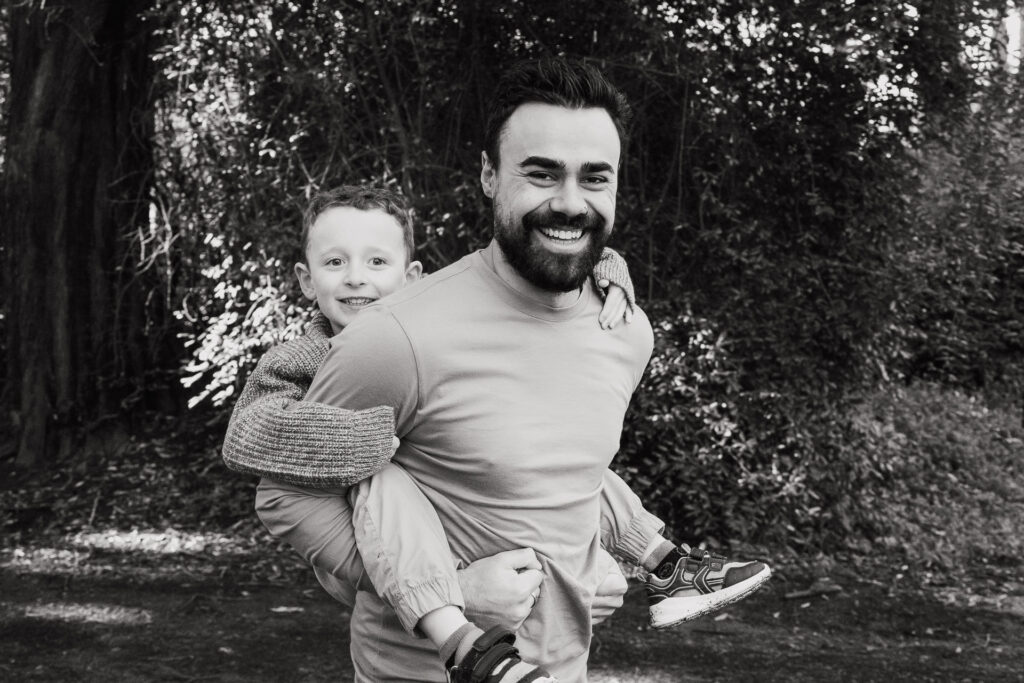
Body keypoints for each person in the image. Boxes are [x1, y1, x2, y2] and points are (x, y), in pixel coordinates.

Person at [251, 58, 771, 681]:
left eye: (595, 178)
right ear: (489, 176)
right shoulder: (395, 337)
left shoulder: (626, 331)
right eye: (542, 173)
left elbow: (560, 485)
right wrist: (448, 591)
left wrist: (591, 568)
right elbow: (285, 494)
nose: (570, 203)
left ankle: (671, 567)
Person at [224, 184, 642, 682]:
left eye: (377, 262)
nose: (356, 278)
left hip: (512, 592)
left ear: (413, 276)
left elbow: (532, 265)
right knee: (385, 479)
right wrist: (372, 438)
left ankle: (657, 557)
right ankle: (460, 637)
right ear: (306, 279)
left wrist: (606, 267)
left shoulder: (435, 334)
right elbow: (247, 431)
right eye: (335, 263)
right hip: (390, 590)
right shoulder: (303, 359)